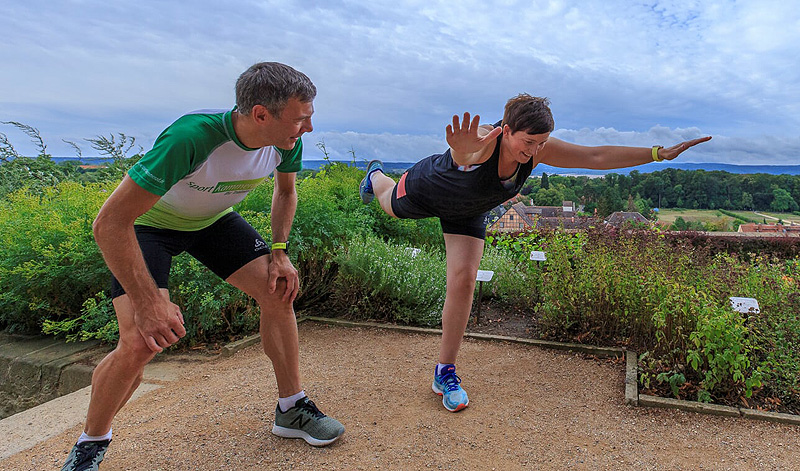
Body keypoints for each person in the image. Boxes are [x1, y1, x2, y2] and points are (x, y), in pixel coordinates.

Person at [61, 62, 344, 471]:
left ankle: (292, 408)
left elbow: (286, 192)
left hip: (212, 221)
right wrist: (147, 303)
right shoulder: (190, 137)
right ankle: (90, 446)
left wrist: (279, 251)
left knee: (277, 289)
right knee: (141, 342)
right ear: (261, 113)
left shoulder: (286, 140)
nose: (308, 129)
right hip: (148, 227)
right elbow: (109, 223)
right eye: (301, 119)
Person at [359, 94, 711, 412]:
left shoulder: (536, 148)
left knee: (464, 280)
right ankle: (374, 174)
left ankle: (445, 372)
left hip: (468, 210)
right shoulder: (484, 139)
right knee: (387, 202)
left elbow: (594, 156)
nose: (534, 150)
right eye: (528, 142)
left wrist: (656, 154)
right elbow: (467, 153)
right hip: (429, 190)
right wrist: (460, 150)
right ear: (507, 130)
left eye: (540, 143)